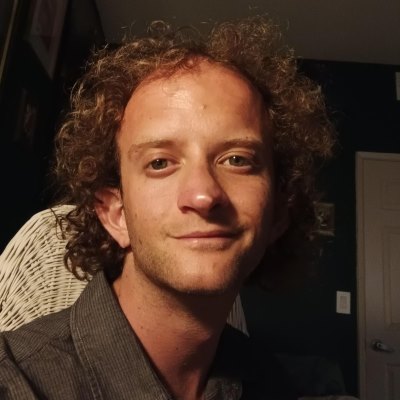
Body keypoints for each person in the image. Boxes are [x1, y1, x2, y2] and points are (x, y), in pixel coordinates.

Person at [0, 17, 335, 399]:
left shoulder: (272, 384)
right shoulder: (15, 383)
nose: (203, 195)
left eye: (237, 159)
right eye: (160, 163)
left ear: (278, 213)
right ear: (115, 214)